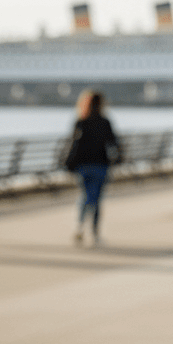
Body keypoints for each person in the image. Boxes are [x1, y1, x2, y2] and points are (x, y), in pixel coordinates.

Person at [65, 89, 120, 246]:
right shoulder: (105, 122)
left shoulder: (80, 122)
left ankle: (80, 226)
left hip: (83, 166)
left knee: (85, 196)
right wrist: (117, 159)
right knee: (96, 199)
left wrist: (69, 163)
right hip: (101, 165)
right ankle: (94, 232)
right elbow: (114, 143)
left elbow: (73, 145)